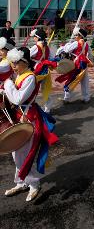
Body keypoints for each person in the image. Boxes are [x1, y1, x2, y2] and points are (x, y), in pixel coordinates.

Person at [4, 47, 58, 202]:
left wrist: (7, 84)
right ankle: (21, 182)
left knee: (24, 154)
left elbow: (18, 99)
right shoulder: (19, 75)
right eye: (12, 62)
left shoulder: (30, 77)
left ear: (25, 62)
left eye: (16, 62)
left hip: (29, 118)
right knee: (16, 153)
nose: (13, 65)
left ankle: (34, 184)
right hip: (19, 117)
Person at [55, 27, 92, 104]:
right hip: (84, 65)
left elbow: (67, 50)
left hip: (76, 64)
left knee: (71, 80)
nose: (75, 37)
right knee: (85, 81)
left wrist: (67, 44)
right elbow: (90, 55)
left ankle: (67, 98)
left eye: (76, 35)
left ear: (80, 36)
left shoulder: (76, 43)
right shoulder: (86, 45)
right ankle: (86, 98)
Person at [29, 28, 56, 113]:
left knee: (32, 88)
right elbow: (50, 57)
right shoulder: (46, 47)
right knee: (45, 88)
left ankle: (30, 107)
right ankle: (47, 108)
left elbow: (27, 55)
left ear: (37, 37)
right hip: (45, 69)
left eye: (34, 37)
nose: (33, 38)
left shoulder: (36, 47)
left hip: (37, 69)